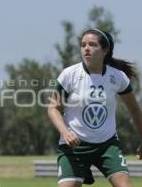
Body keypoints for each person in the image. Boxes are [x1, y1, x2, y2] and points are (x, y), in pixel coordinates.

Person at [47, 28, 142, 187]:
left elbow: (135, 110)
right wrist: (66, 133)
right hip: (74, 147)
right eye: (83, 45)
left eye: (92, 45)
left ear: (105, 50)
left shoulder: (117, 77)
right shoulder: (69, 74)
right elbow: (53, 108)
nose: (86, 48)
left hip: (107, 145)